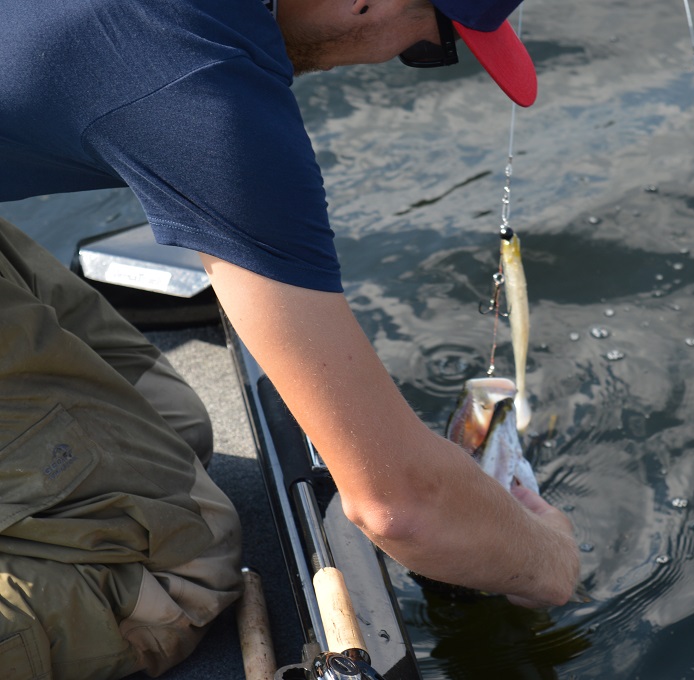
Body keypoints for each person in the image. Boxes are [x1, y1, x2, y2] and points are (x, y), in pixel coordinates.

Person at [0, 0, 580, 678]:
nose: (396, 60)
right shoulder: (204, 82)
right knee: (178, 572)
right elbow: (399, 507)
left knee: (173, 419)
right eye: (429, 47)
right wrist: (550, 561)